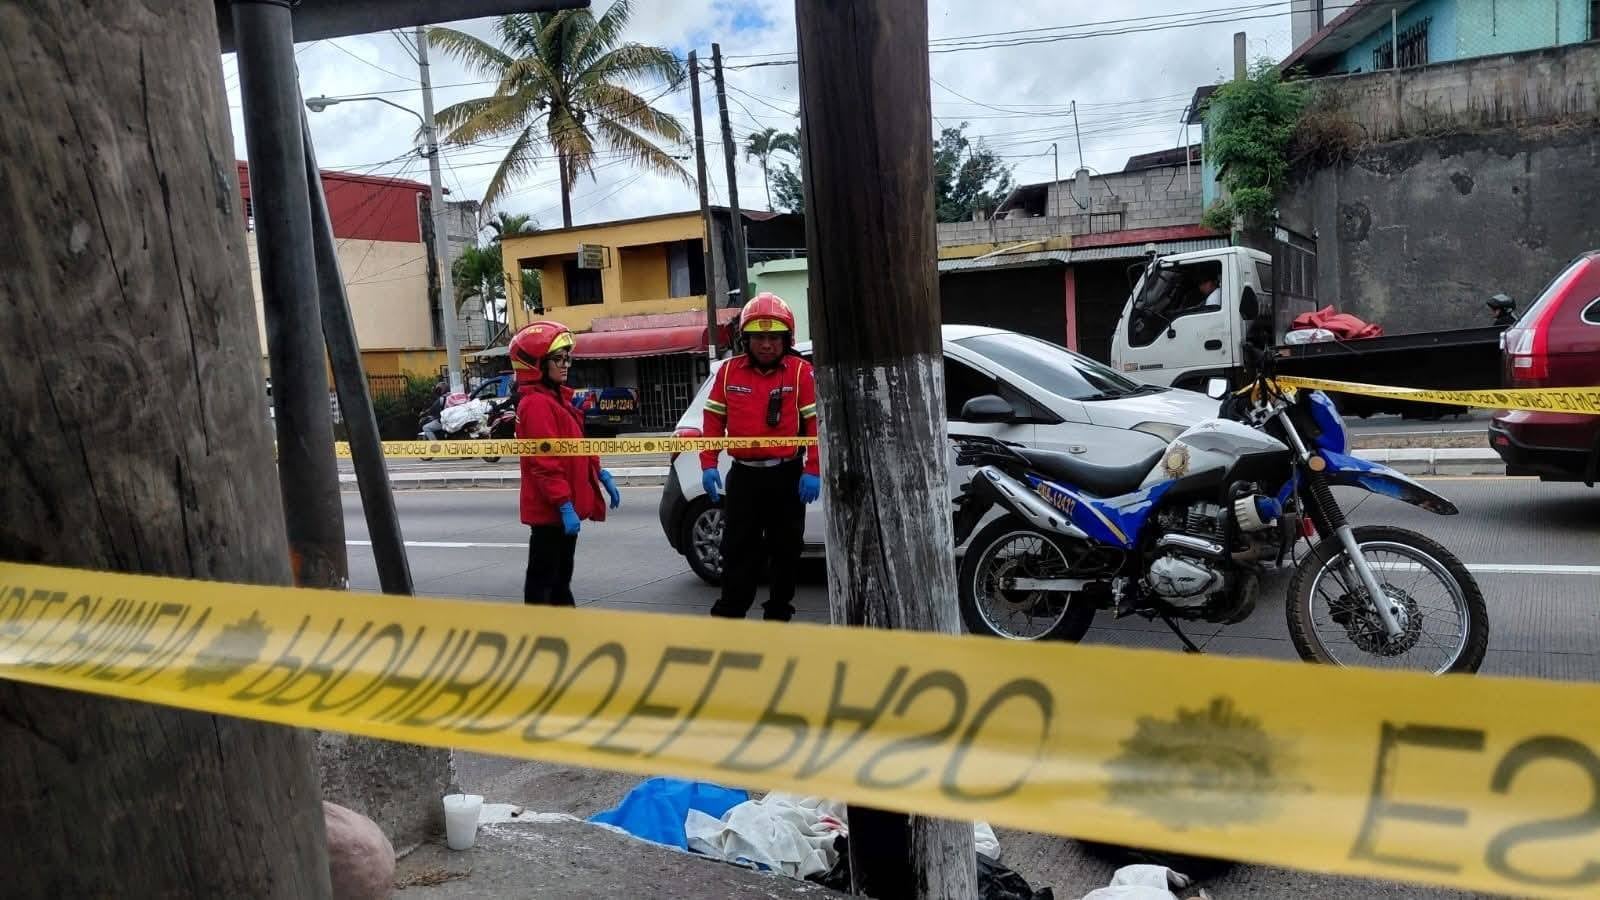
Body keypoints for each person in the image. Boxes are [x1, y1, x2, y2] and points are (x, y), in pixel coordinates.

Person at [700, 293, 821, 622]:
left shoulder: (801, 372)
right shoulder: (727, 373)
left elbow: (815, 425)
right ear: (746, 339)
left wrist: (813, 469)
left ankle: (778, 615)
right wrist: (708, 465)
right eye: (759, 338)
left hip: (787, 478)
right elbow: (712, 422)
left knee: (786, 551)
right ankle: (731, 616)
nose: (766, 345)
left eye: (773, 338)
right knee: (736, 550)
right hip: (744, 479)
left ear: (786, 340)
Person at [510, 322, 622, 606]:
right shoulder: (536, 405)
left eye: (566, 357)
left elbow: (576, 445)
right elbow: (544, 462)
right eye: (558, 359)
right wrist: (563, 505)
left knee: (560, 582)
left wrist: (599, 473)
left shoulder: (558, 399)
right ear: (537, 364)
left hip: (560, 511)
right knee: (544, 585)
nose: (566, 365)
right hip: (550, 514)